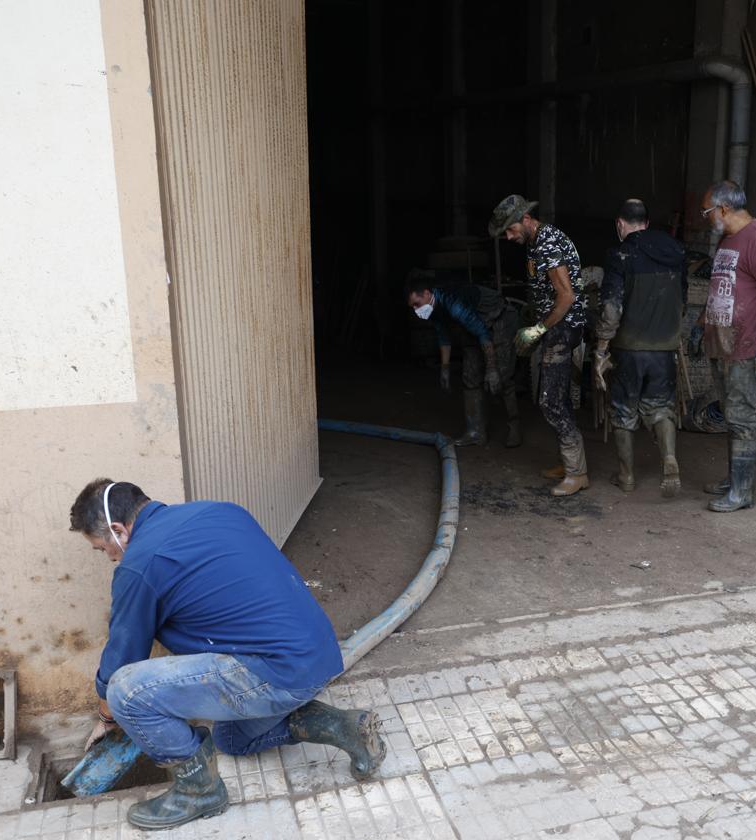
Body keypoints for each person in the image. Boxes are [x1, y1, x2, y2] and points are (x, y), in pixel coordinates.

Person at [71, 479, 386, 830]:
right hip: (318, 657)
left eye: (103, 549)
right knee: (231, 739)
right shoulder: (220, 510)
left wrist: (108, 717)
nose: (111, 557)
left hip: (273, 670)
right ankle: (344, 727)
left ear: (118, 530)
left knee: (126, 691)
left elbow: (122, 656)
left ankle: (198, 793)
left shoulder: (139, 565)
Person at [488, 194, 589, 496]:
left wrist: (539, 329)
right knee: (558, 397)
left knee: (550, 400)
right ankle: (569, 463)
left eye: (510, 229)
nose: (508, 236)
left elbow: (567, 296)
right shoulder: (536, 241)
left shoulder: (547, 242)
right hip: (554, 326)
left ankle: (577, 472)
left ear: (526, 219)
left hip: (563, 328)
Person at [698, 180, 756, 512]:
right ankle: (735, 477)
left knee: (741, 418)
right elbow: (723, 288)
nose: (705, 217)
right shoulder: (728, 238)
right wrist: (702, 326)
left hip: (746, 346)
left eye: (707, 211)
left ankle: (742, 491)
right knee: (731, 416)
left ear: (722, 209)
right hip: (723, 344)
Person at [593, 199, 687, 497]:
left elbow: (611, 307)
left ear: (620, 224)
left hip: (629, 348)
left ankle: (627, 477)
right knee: (660, 408)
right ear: (646, 223)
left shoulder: (620, 254)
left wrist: (601, 349)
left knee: (623, 411)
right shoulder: (675, 251)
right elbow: (682, 300)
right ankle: (669, 458)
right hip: (665, 347)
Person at [406, 271, 521, 447]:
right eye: (412, 307)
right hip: (474, 324)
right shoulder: (433, 309)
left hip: (499, 318)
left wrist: (491, 368)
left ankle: (514, 428)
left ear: (428, 294)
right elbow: (443, 335)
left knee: (502, 377)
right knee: (470, 377)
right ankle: (475, 432)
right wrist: (445, 367)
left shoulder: (453, 302)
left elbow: (482, 332)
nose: (416, 310)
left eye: (417, 304)